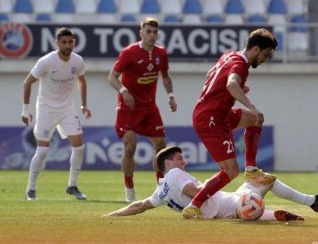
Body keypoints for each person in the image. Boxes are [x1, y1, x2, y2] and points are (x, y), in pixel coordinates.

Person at [182, 28, 279, 219]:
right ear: (256, 49)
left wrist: (236, 89)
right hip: (210, 118)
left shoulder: (230, 55)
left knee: (256, 120)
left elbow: (211, 74)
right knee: (230, 170)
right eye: (265, 54)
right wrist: (250, 105)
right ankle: (194, 206)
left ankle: (251, 170)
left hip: (219, 113)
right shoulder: (240, 65)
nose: (265, 59)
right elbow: (231, 84)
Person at [104, 146, 318, 221]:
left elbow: (139, 206)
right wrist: (214, 181)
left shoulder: (160, 191)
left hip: (226, 207)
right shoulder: (174, 175)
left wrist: (110, 216)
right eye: (179, 157)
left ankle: (276, 214)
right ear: (167, 163)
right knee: (262, 183)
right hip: (228, 206)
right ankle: (308, 202)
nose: (183, 160)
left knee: (259, 186)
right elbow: (196, 193)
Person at [108, 17, 177, 203]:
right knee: (130, 146)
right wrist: (123, 91)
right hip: (128, 107)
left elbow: (166, 76)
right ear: (141, 33)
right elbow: (112, 77)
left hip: (149, 107)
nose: (152, 35)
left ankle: (161, 188)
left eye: (155, 32)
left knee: (161, 145)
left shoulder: (161, 53)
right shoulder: (129, 53)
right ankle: (129, 190)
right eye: (148, 31)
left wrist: (170, 96)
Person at [21, 27, 92, 201]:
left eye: (70, 42)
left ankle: (72, 186)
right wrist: (25, 109)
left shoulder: (77, 61)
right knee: (43, 150)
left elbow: (82, 80)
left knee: (80, 146)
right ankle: (30, 189)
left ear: (74, 42)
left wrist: (83, 105)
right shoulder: (46, 61)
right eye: (64, 42)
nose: (68, 45)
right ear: (57, 43)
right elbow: (28, 82)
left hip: (67, 109)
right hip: (46, 110)